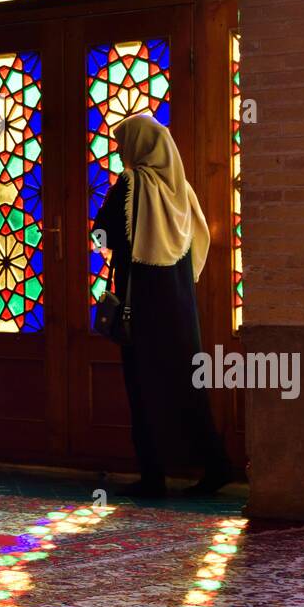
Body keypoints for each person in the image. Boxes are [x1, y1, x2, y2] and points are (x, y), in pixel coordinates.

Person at [93, 113, 232, 498]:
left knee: (142, 387)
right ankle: (215, 465)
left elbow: (103, 231)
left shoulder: (131, 183)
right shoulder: (180, 189)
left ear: (140, 146)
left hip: (141, 306)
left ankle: (153, 477)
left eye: (124, 143)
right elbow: (197, 240)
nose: (122, 151)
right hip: (180, 305)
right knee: (188, 386)